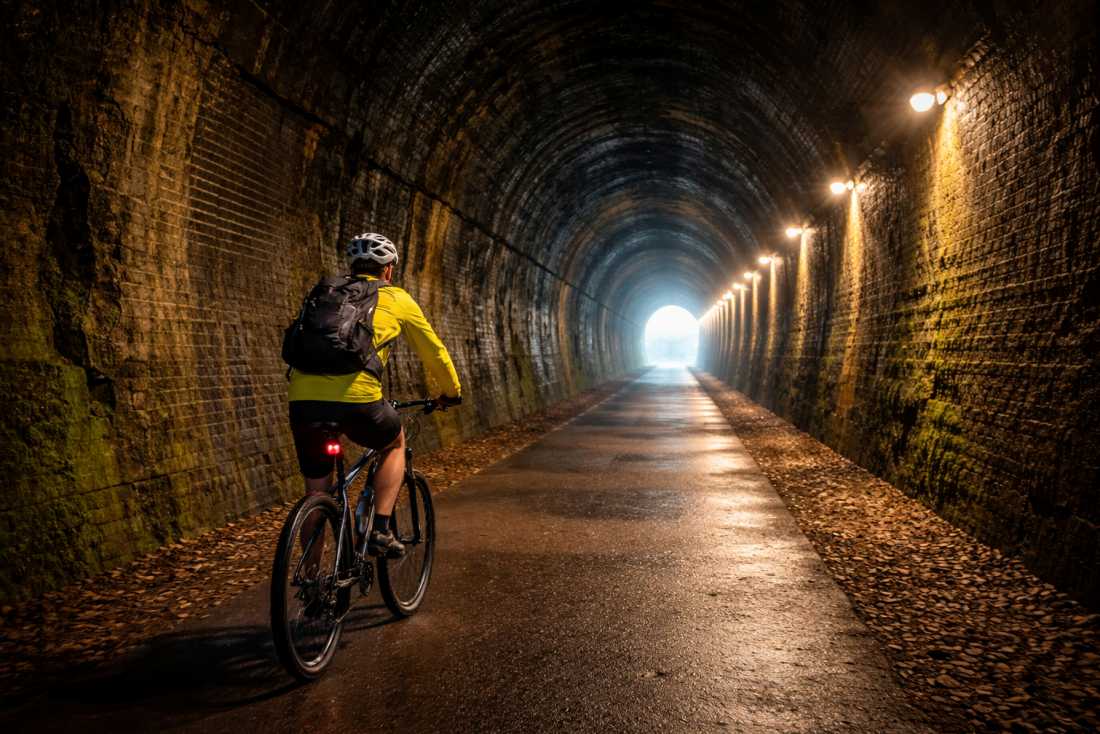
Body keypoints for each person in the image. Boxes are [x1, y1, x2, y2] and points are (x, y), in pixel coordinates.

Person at [288, 232, 462, 557]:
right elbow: (435, 353)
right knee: (394, 443)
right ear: (388, 270)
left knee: (316, 495)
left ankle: (310, 590)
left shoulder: (324, 292)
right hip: (359, 400)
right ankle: (380, 529)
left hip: (303, 400)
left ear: (352, 267)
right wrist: (451, 393)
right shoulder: (396, 298)